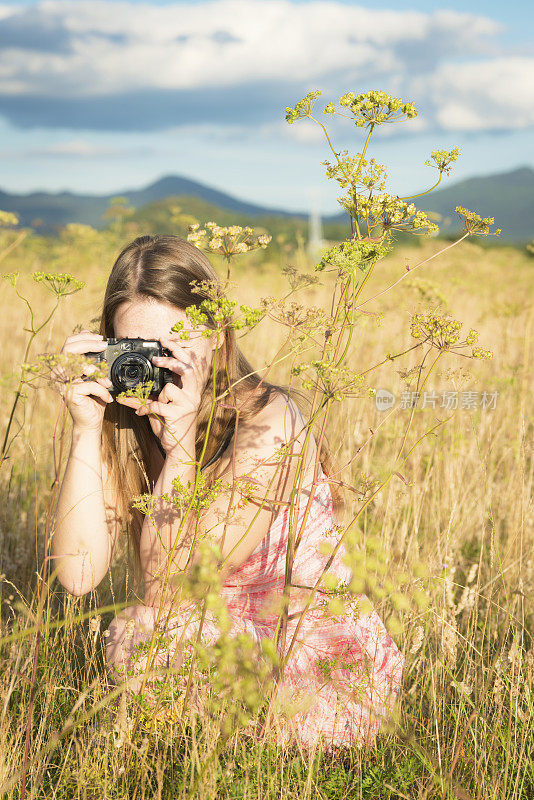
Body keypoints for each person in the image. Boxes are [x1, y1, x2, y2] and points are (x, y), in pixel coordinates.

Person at [51, 234, 404, 750]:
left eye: (177, 341)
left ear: (217, 333)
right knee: (144, 635)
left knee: (146, 631)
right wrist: (86, 430)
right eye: (140, 348)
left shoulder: (270, 420)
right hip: (205, 641)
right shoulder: (124, 418)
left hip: (307, 651)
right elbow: (79, 575)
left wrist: (181, 451)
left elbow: (172, 591)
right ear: (112, 345)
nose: (160, 362)